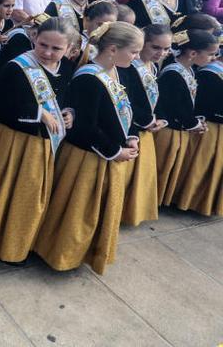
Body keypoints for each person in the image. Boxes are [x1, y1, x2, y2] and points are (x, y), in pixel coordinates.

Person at [34, 21, 143, 275]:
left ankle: (86, 253)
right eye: (134, 51)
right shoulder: (88, 78)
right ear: (113, 49)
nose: (136, 57)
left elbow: (126, 111)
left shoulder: (120, 72)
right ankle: (60, 254)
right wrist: (116, 151)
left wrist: (131, 136)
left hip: (110, 153)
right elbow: (85, 127)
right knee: (76, 210)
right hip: (86, 158)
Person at [0, 17, 77, 264]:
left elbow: (67, 97)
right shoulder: (16, 67)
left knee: (26, 199)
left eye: (56, 48)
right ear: (34, 39)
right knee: (3, 194)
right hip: (13, 143)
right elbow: (0, 107)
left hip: (41, 146)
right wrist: (39, 113)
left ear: (69, 49)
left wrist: (69, 113)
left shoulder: (67, 68)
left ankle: (15, 246)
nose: (48, 52)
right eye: (43, 45)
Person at [155, 29, 218, 206]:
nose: (214, 58)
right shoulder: (173, 73)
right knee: (162, 167)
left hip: (179, 130)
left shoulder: (188, 70)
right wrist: (193, 123)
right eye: (211, 54)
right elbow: (174, 107)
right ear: (192, 53)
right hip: (168, 131)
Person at [117, 24, 172, 227]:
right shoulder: (129, 67)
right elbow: (127, 100)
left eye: (166, 49)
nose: (161, 53)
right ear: (143, 44)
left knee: (140, 177)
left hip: (147, 128)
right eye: (156, 47)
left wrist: (159, 119)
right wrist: (147, 121)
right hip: (132, 127)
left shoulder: (154, 67)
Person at [176, 39, 223, 215]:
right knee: (201, 167)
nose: (213, 57)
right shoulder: (209, 73)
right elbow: (204, 104)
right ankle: (191, 200)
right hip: (211, 127)